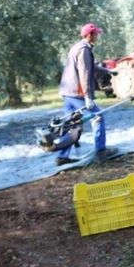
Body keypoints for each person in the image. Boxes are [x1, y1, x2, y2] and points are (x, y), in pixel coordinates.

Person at [57, 23, 118, 166]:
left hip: (67, 91)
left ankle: (62, 157)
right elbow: (84, 74)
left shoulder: (77, 47)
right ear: (90, 35)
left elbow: (90, 67)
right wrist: (88, 97)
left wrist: (108, 71)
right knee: (97, 116)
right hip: (77, 92)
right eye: (96, 34)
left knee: (71, 124)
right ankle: (101, 150)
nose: (98, 37)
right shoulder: (84, 49)